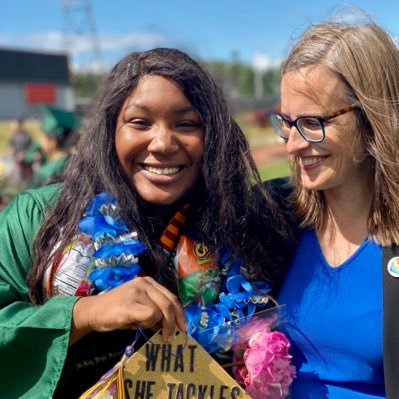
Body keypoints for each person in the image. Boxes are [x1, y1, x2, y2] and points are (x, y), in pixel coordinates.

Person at [0, 48, 294, 398]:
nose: (163, 143)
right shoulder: (41, 220)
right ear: (110, 130)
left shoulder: (240, 225)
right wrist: (85, 314)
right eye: (139, 122)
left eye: (186, 124)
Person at [269, 21, 399, 399]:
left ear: (373, 117)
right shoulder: (275, 217)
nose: (293, 145)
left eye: (312, 123)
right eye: (288, 123)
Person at [30, 104, 80, 187]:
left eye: (43, 137)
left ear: (53, 141)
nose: (40, 141)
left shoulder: (46, 172)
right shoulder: (77, 162)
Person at [8, 117, 33, 185]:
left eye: (15, 125)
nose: (14, 127)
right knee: (16, 178)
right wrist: (11, 150)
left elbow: (31, 148)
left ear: (20, 125)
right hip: (17, 161)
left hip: (26, 162)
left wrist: (24, 154)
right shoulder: (13, 136)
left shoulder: (27, 136)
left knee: (27, 180)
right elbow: (11, 146)